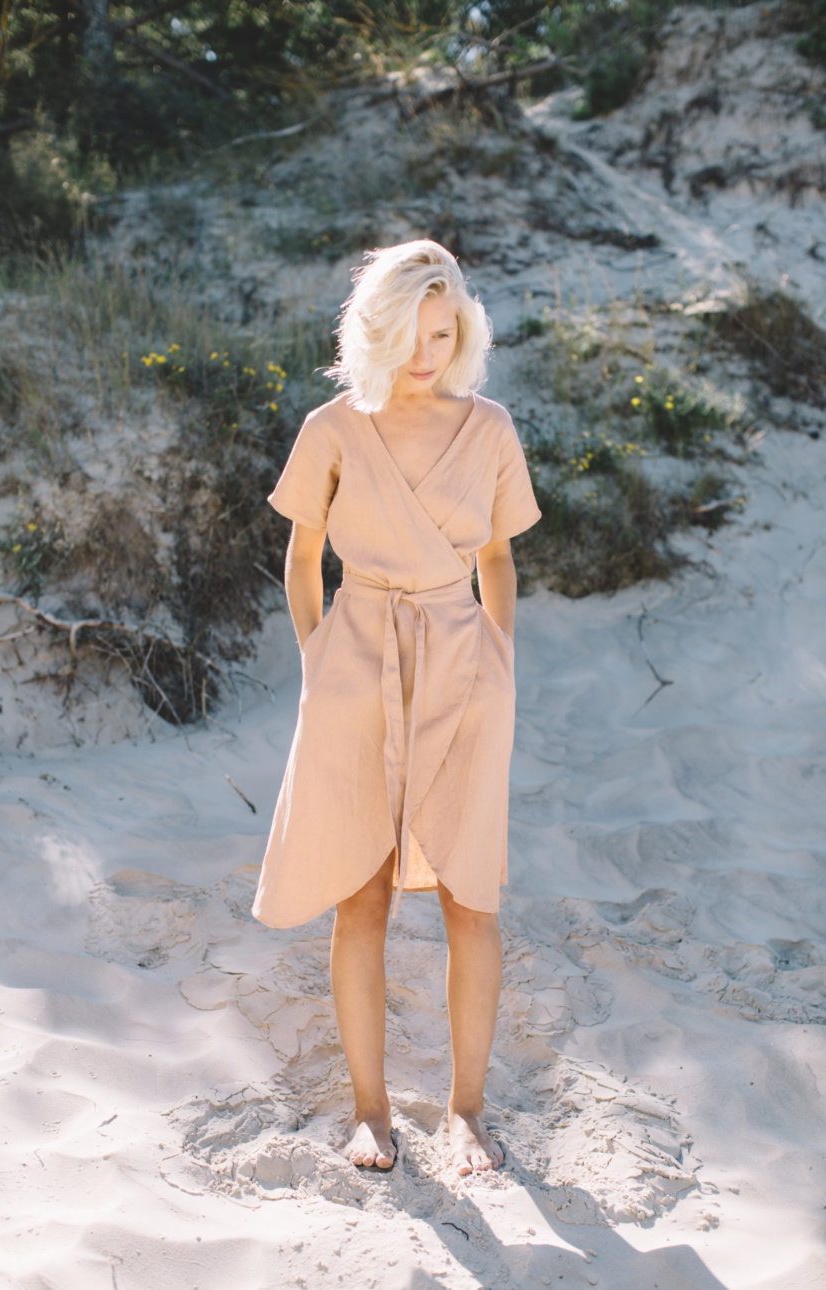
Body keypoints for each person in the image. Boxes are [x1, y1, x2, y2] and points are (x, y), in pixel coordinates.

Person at [252, 239, 541, 1176]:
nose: (428, 354)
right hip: (357, 660)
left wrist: (499, 662)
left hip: (464, 666)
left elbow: (498, 557)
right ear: (380, 331)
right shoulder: (333, 428)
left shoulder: (490, 427)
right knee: (362, 896)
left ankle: (466, 1112)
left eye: (445, 333)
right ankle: (370, 1113)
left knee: (470, 894)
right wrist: (319, 661)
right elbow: (302, 562)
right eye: (413, 335)